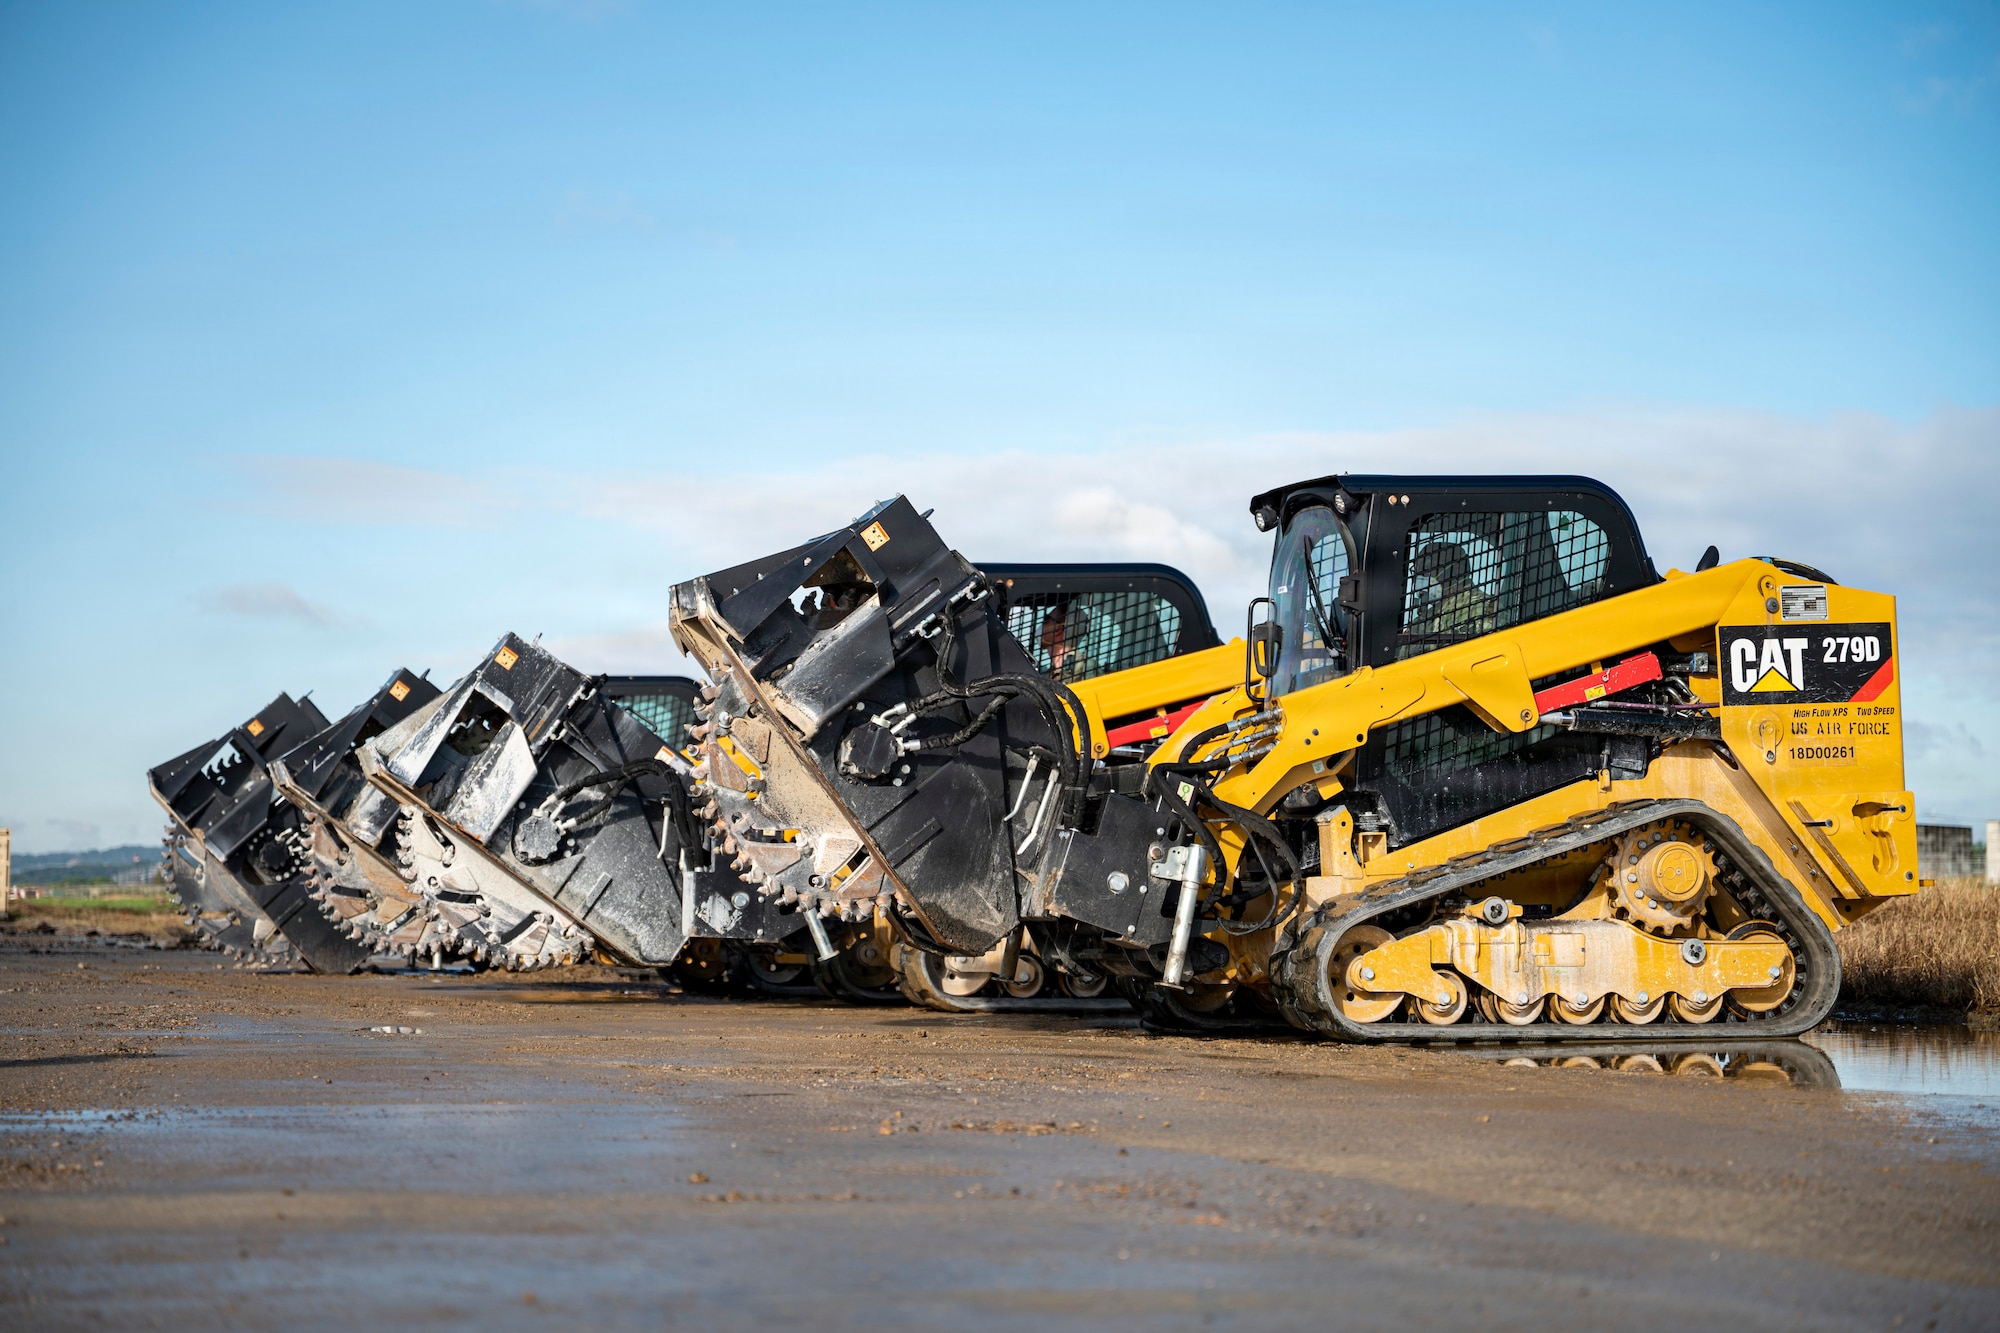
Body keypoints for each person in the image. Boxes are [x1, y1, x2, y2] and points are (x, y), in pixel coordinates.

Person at [1409, 541, 1496, 641]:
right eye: (1419, 571)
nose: (1421, 577)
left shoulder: (1484, 608)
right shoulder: (1424, 619)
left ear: (1455, 571)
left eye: (1428, 570)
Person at [1038, 603, 1098, 682]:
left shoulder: (1085, 667)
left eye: (1046, 620)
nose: (1041, 625)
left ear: (1057, 630)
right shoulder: (1046, 674)